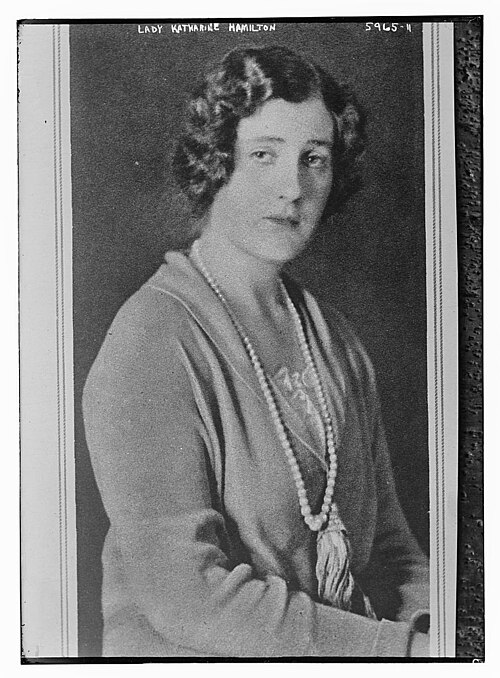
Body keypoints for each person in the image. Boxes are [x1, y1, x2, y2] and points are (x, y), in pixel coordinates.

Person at [83, 45, 430, 658]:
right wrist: (400, 652)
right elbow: (190, 600)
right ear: (217, 163)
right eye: (264, 155)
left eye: (314, 159)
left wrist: (450, 634)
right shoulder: (152, 340)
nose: (292, 188)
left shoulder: (336, 341)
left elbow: (392, 553)